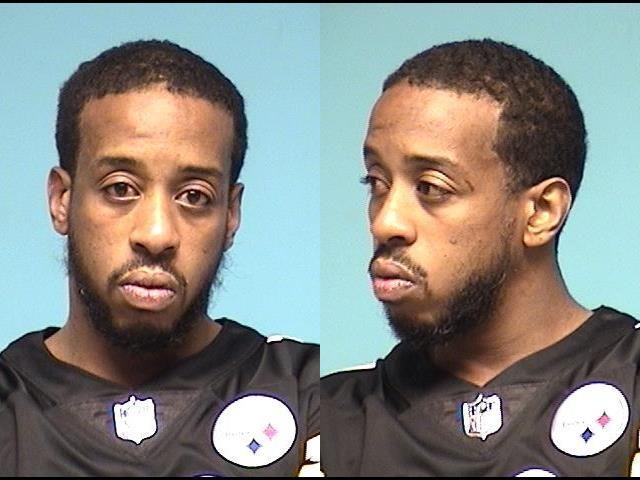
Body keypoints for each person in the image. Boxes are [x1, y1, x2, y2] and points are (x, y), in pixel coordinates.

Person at [321, 38, 640, 476]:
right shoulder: (329, 421)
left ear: (541, 212)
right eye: (377, 182)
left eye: (431, 188)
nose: (385, 222)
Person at [0, 39, 319, 476]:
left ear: (230, 215)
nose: (157, 234)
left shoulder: (310, 392)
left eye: (194, 196)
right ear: (62, 200)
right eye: (120, 188)